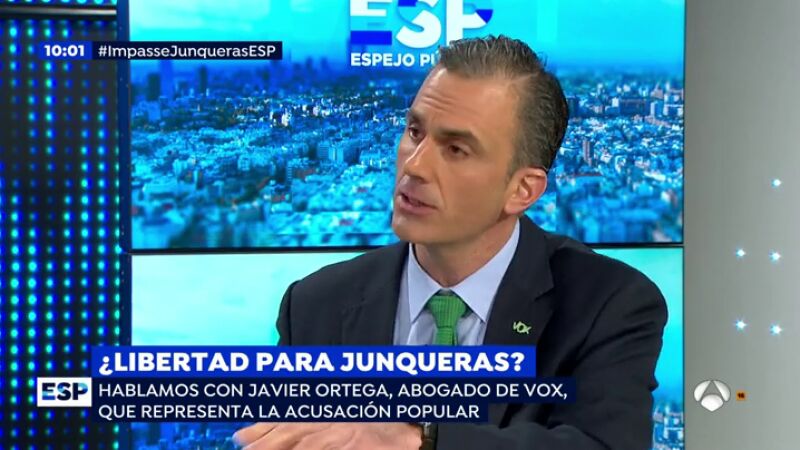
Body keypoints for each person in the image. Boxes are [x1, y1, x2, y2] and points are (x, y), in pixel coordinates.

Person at [234, 35, 667, 450]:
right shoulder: (314, 306)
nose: (415, 165)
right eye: (414, 132)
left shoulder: (608, 304)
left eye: (456, 149)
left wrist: (419, 441)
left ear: (522, 190)